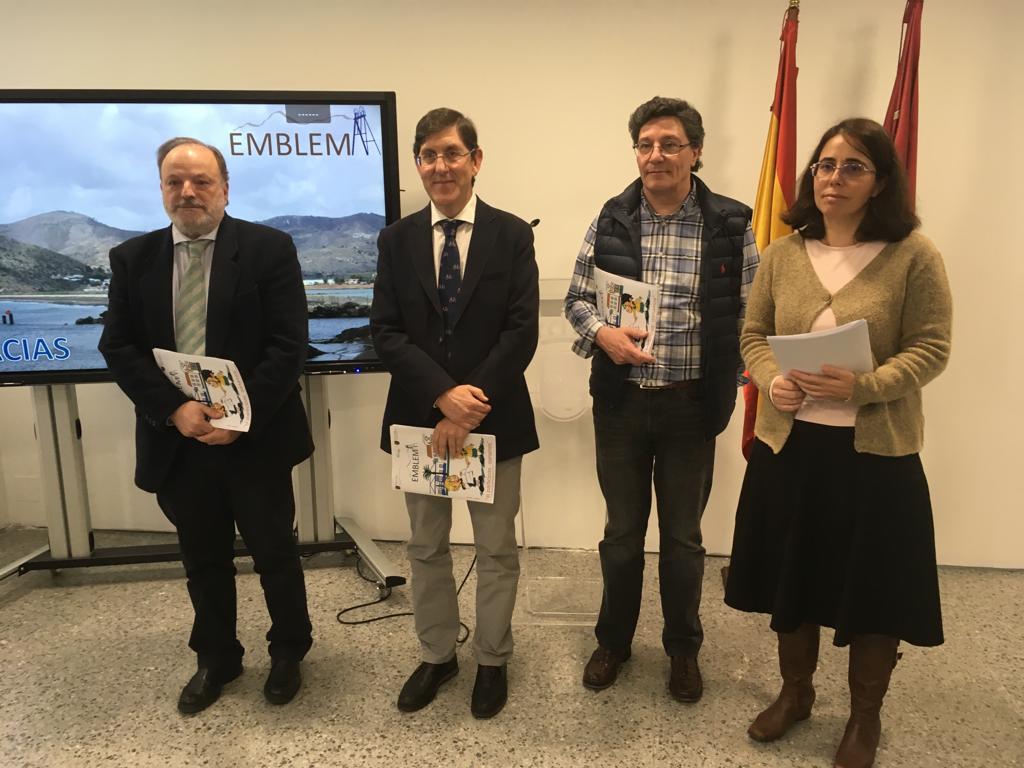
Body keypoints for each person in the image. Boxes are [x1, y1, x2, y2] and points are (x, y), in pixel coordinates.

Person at [724, 118, 952, 768]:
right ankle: (795, 695)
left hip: (875, 459)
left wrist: (864, 387)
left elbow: (932, 348)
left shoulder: (915, 254)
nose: (834, 177)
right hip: (790, 454)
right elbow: (753, 337)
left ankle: (864, 718)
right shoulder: (782, 253)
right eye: (826, 165)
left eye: (853, 166)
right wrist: (772, 383)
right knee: (790, 583)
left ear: (880, 180)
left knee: (873, 591)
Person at [99, 137, 314, 714]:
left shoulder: (269, 249)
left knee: (274, 552)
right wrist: (173, 409)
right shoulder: (132, 259)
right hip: (180, 439)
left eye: (200, 181)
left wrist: (241, 418)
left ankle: (289, 649)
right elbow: (117, 346)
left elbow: (289, 346)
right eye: (175, 181)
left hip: (256, 438)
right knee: (203, 557)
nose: (187, 192)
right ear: (162, 188)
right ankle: (217, 656)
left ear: (224, 187)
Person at [564, 97, 759, 702]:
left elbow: (755, 315)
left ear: (695, 152)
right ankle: (614, 642)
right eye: (646, 145)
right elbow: (577, 300)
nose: (656, 156)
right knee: (622, 535)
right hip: (621, 405)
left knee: (683, 540)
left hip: (690, 408)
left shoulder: (730, 223)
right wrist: (603, 334)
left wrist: (734, 379)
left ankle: (682, 650)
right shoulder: (612, 217)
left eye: (670, 144)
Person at [370, 108, 539, 719]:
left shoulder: (512, 233)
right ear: (418, 165)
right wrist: (442, 397)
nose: (439, 166)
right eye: (428, 155)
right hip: (420, 420)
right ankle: (437, 654)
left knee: (496, 550)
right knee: (424, 546)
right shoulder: (395, 239)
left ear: (476, 159)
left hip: (495, 420)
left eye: (451, 153)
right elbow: (386, 333)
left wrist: (467, 407)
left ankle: (492, 659)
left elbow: (521, 332)